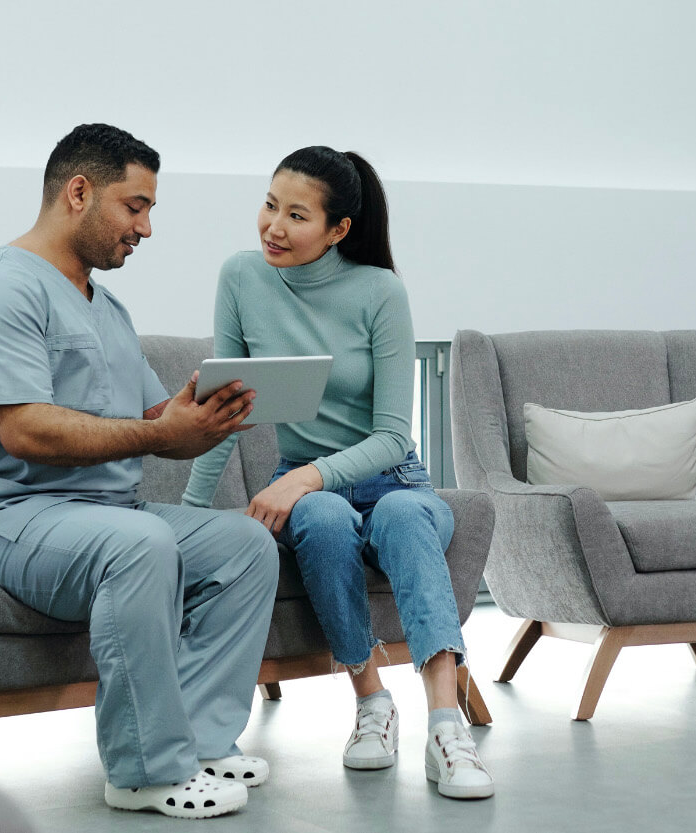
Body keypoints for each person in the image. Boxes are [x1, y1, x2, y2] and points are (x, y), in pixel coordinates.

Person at [0, 123, 279, 820]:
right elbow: (24, 429)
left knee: (245, 545)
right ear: (79, 192)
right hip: (6, 517)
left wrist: (199, 420)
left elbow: (154, 426)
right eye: (135, 205)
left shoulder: (105, 306)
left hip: (104, 514)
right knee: (137, 545)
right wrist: (159, 428)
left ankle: (204, 740)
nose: (145, 227)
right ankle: (144, 771)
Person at [182, 146, 494, 800]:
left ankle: (446, 725)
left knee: (404, 516)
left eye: (296, 215)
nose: (272, 225)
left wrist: (301, 478)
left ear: (338, 229)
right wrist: (188, 512)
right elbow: (224, 409)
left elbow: (391, 435)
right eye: (270, 204)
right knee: (320, 519)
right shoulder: (242, 278)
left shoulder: (380, 292)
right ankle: (371, 703)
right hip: (309, 486)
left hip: (394, 481)